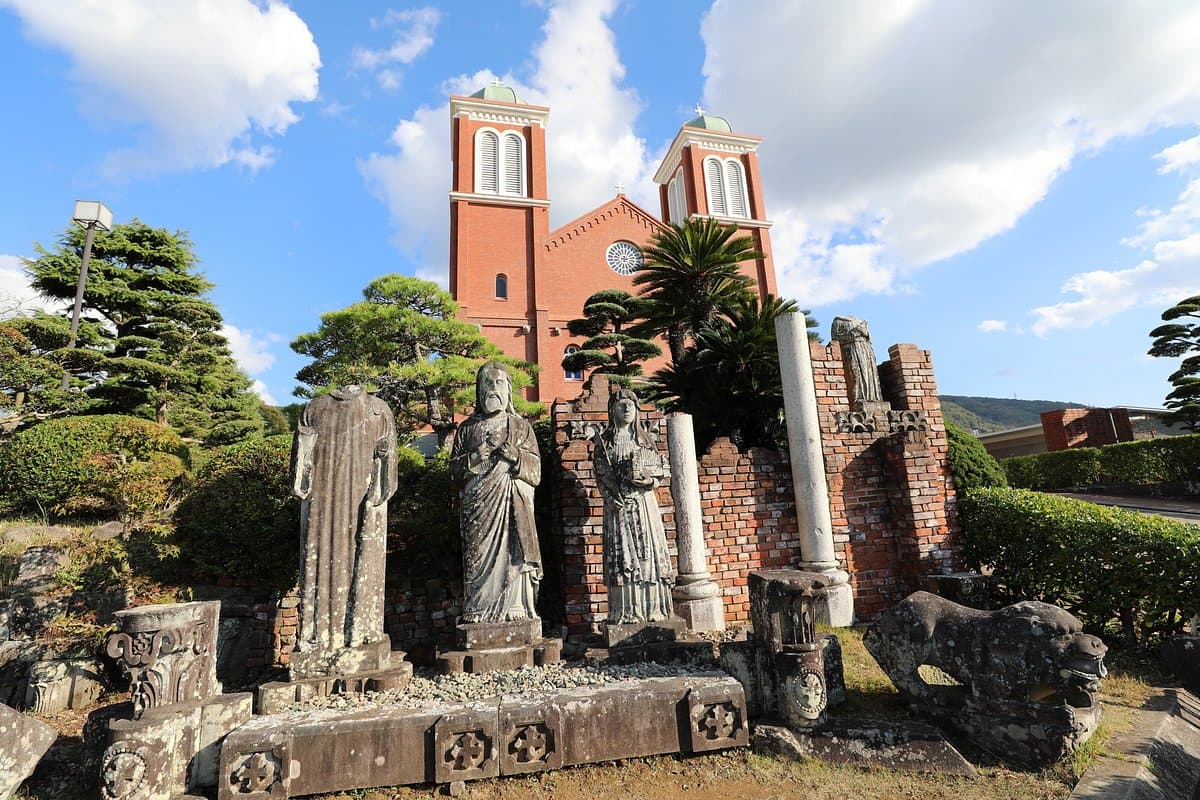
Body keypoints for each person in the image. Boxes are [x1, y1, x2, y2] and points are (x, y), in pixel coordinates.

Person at [290, 384, 396, 672]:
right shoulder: (315, 409)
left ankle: (358, 631)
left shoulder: (378, 410)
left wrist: (384, 457)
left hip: (360, 500)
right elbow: (302, 467)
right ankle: (318, 637)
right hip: (323, 507)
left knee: (362, 561)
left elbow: (388, 470)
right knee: (321, 559)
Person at [451, 362, 542, 623]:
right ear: (478, 391)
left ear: (509, 390)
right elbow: (453, 476)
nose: (493, 389)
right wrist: (472, 459)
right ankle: (478, 607)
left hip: (512, 501)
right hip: (478, 505)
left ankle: (515, 605)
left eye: (499, 383)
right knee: (477, 554)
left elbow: (536, 472)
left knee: (514, 548)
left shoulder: (521, 426)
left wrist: (516, 457)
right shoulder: (467, 429)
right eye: (487, 384)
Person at [595, 388, 675, 624]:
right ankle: (627, 611)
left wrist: (649, 480)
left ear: (637, 409)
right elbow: (600, 476)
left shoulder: (645, 440)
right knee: (624, 557)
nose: (627, 408)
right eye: (621, 405)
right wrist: (611, 498)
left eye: (631, 404)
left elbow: (660, 471)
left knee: (649, 556)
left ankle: (654, 610)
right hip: (619, 508)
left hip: (644, 505)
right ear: (612, 411)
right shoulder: (605, 444)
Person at [831, 315, 884, 404]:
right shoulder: (838, 321)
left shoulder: (859, 320)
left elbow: (869, 339)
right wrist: (855, 332)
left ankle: (873, 397)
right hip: (852, 349)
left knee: (870, 374)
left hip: (867, 350)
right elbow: (836, 338)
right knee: (857, 374)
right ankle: (859, 398)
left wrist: (866, 333)